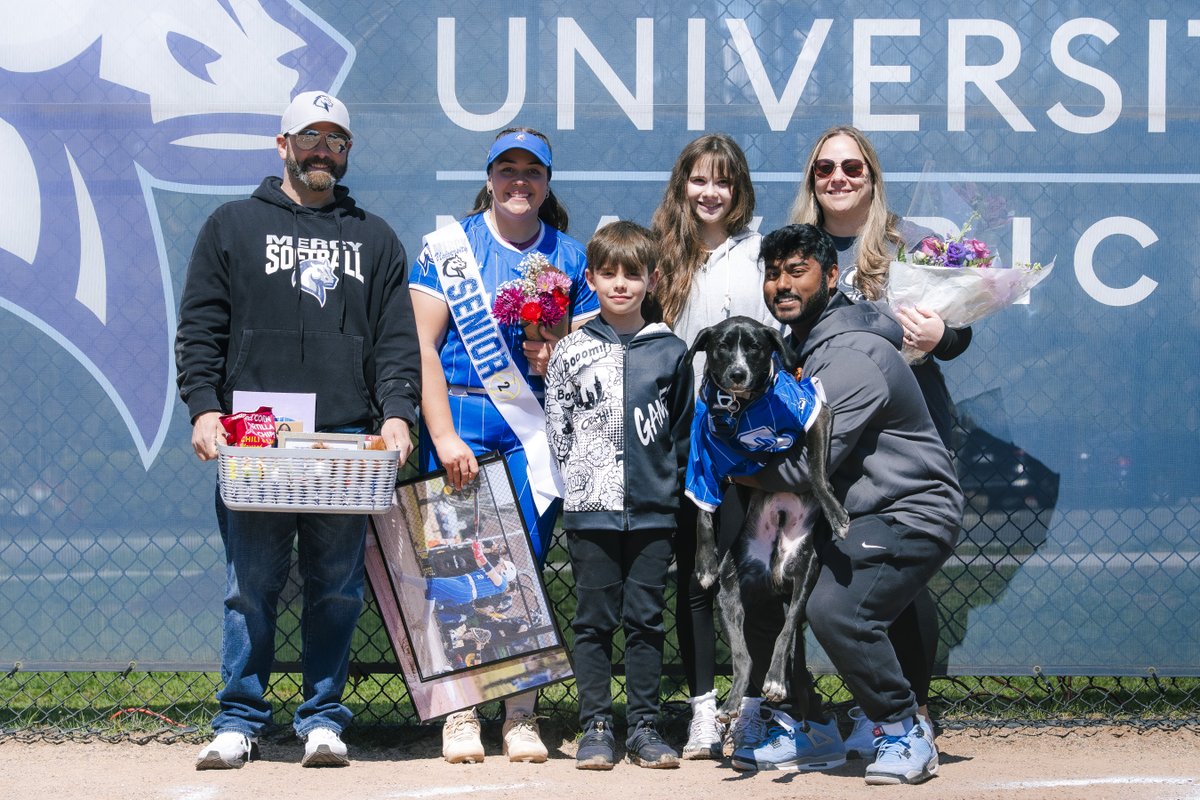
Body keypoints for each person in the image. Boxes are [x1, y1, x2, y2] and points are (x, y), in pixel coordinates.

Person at [176, 91, 420, 770]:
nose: (323, 151)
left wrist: (398, 411)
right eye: (310, 137)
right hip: (255, 433)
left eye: (337, 141)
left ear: (347, 154)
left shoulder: (374, 237)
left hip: (344, 436)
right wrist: (202, 407)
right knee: (248, 583)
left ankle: (321, 720)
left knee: (337, 583)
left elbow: (397, 340)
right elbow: (201, 327)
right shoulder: (231, 226)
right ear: (281, 144)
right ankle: (239, 719)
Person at [731, 223, 962, 786]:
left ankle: (904, 728)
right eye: (772, 272)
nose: (781, 284)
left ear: (831, 276)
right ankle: (811, 727)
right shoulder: (806, 346)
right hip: (853, 512)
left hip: (910, 509)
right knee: (767, 585)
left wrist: (728, 466)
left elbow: (806, 465)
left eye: (797, 271)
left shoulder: (853, 355)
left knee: (838, 611)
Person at [410, 127, 598, 763]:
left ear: (548, 183)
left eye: (533, 172)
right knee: (459, 565)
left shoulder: (571, 257)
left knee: (524, 565)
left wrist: (557, 353)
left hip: (533, 429)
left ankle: (521, 711)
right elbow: (423, 350)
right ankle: (462, 712)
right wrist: (440, 434)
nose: (520, 182)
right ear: (489, 177)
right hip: (459, 419)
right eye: (507, 169)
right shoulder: (448, 249)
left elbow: (592, 355)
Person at [790, 124, 972, 750]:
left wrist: (938, 338)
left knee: (899, 575)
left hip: (904, 424)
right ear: (811, 180)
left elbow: (960, 329)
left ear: (872, 175)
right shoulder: (796, 250)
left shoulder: (909, 246)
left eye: (852, 166)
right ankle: (851, 707)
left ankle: (908, 710)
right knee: (844, 565)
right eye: (824, 168)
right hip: (830, 423)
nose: (837, 177)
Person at [543, 221, 693, 770]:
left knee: (646, 619)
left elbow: (680, 432)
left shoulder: (671, 351)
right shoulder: (570, 351)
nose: (622, 284)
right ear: (592, 279)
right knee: (593, 620)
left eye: (634, 274)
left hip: (654, 513)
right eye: (609, 274)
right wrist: (583, 486)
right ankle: (597, 725)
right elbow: (558, 429)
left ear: (651, 280)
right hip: (591, 512)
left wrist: (665, 492)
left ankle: (646, 726)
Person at [649, 133, 779, 760]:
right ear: (682, 186)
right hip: (690, 443)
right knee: (699, 581)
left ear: (739, 190)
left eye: (722, 181)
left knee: (760, 577)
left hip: (757, 445)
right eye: (698, 179)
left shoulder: (761, 254)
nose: (710, 192)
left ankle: (758, 705)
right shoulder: (662, 257)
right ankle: (704, 711)